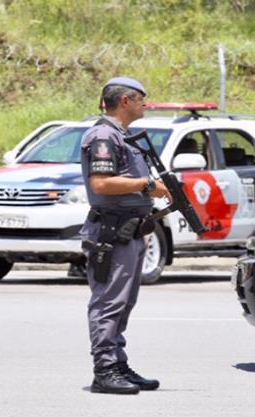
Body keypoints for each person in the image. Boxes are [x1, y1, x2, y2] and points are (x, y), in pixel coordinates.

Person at [79, 77, 171, 395]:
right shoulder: (104, 135)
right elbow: (101, 184)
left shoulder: (123, 136)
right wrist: (147, 185)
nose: (145, 105)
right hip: (111, 231)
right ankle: (104, 370)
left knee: (124, 302)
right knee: (109, 303)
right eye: (142, 99)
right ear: (126, 101)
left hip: (129, 229)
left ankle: (117, 363)